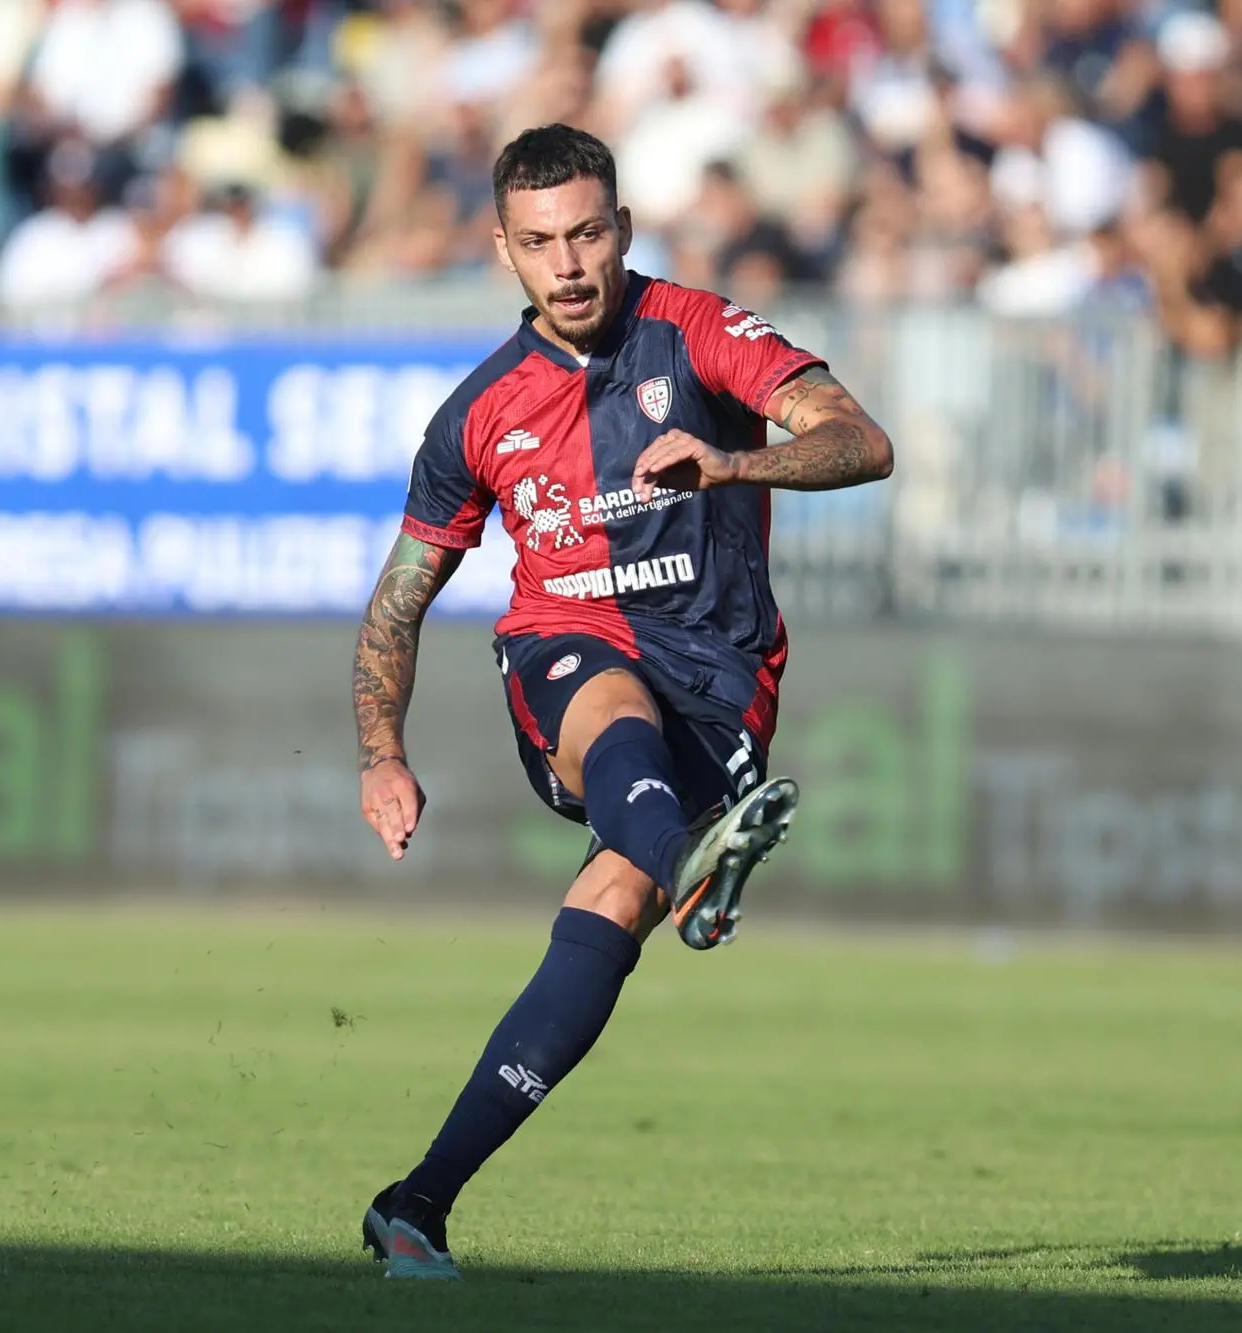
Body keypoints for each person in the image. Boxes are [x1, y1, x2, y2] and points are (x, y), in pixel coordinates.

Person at [349, 124, 893, 1280]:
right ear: (503, 250)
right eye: (541, 242)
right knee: (602, 691)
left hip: (721, 676)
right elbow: (401, 597)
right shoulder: (476, 414)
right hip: (570, 647)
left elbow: (860, 440)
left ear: (624, 229)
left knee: (610, 909)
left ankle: (417, 1203)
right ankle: (694, 855)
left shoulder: (701, 334)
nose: (570, 263)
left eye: (588, 232)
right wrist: (379, 750)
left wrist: (734, 462)